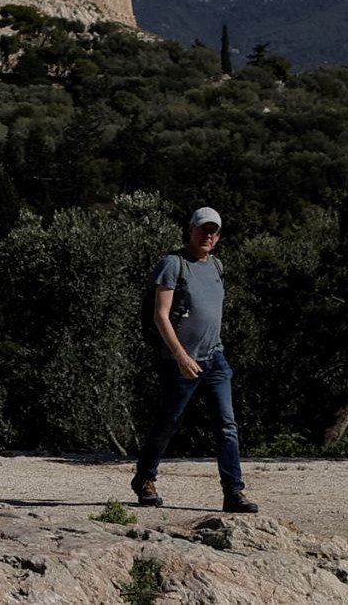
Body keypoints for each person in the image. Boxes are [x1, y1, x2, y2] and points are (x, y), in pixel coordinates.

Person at [133, 207, 258, 513]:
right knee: (168, 422)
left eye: (213, 231)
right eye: (203, 229)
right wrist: (181, 356)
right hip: (179, 362)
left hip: (214, 358)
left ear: (218, 237)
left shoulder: (216, 265)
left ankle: (233, 492)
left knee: (226, 425)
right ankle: (145, 478)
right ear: (190, 230)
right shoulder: (172, 264)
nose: (207, 235)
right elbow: (160, 315)